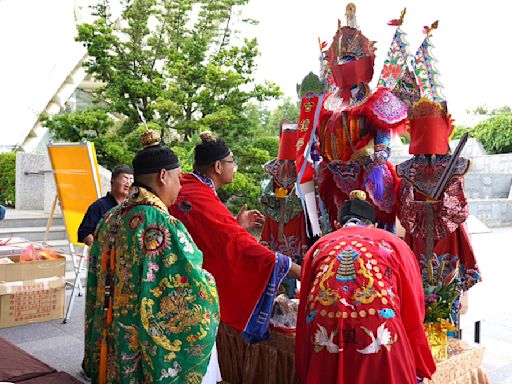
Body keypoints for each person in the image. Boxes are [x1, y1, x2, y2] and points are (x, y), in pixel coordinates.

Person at [83, 130, 220, 384]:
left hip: (113, 332)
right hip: (139, 340)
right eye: (178, 178)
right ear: (163, 176)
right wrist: (208, 281)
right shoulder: (160, 223)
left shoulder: (110, 217)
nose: (180, 186)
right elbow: (187, 283)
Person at [170, 131, 301, 343]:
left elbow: (208, 236)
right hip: (188, 297)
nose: (234, 166)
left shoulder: (188, 186)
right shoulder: (201, 197)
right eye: (232, 161)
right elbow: (239, 245)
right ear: (218, 167)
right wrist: (289, 266)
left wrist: (235, 225)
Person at [296, 190, 436, 384]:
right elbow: (413, 307)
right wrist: (417, 360)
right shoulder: (394, 243)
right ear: (374, 225)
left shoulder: (318, 247)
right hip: (380, 334)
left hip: (324, 333)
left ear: (338, 225)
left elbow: (304, 306)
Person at [294, 3, 408, 235]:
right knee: (336, 228)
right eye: (341, 59)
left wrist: (378, 161)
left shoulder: (376, 98)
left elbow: (382, 136)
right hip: (334, 176)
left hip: (367, 172)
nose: (345, 64)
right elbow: (316, 136)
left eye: (351, 58)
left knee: (375, 229)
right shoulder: (326, 103)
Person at [77, 164, 134, 246]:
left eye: (131, 180)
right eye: (124, 179)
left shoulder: (132, 206)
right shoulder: (99, 206)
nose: (128, 183)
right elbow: (85, 233)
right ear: (112, 181)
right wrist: (98, 250)